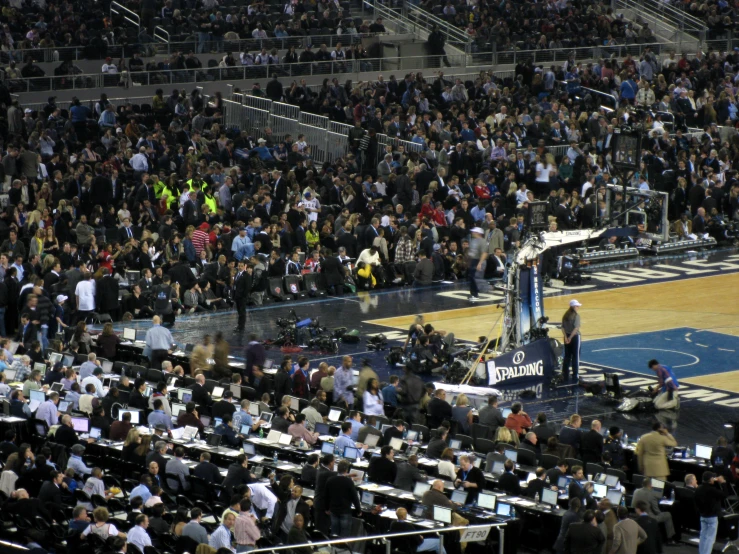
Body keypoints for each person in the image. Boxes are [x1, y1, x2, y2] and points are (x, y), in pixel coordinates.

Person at [630, 477, 676, 544]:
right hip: (649, 517)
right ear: (650, 485)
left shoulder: (636, 491)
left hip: (635, 515)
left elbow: (633, 504)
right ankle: (670, 539)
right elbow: (657, 511)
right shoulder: (652, 494)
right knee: (668, 515)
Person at [695, 472, 729, 554]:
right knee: (710, 538)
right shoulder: (712, 490)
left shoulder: (699, 488)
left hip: (703, 516)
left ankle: (702, 552)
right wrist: (723, 483)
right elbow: (725, 494)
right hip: (712, 517)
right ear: (710, 479)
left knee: (703, 536)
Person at [325, 460, 361, 537]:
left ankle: (334, 548)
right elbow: (354, 497)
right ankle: (343, 548)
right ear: (347, 470)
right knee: (344, 534)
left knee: (334, 532)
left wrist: (327, 508)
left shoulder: (330, 480)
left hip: (333, 510)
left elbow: (326, 496)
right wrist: (358, 510)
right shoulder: (349, 482)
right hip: (345, 511)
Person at [561, 299, 582, 381]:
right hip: (575, 337)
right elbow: (576, 328)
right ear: (573, 306)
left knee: (567, 356)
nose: (578, 307)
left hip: (566, 337)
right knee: (576, 357)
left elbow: (562, 328)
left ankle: (565, 373)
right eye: (577, 306)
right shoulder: (576, 316)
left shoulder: (565, 315)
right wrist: (570, 338)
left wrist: (566, 337)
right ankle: (575, 374)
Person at [466, 227, 488, 302]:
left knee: (476, 278)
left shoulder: (482, 241)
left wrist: (480, 263)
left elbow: (484, 253)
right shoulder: (473, 240)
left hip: (479, 260)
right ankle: (473, 294)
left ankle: (476, 294)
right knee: (472, 277)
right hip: (473, 260)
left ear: (478, 233)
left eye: (474, 232)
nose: (472, 233)